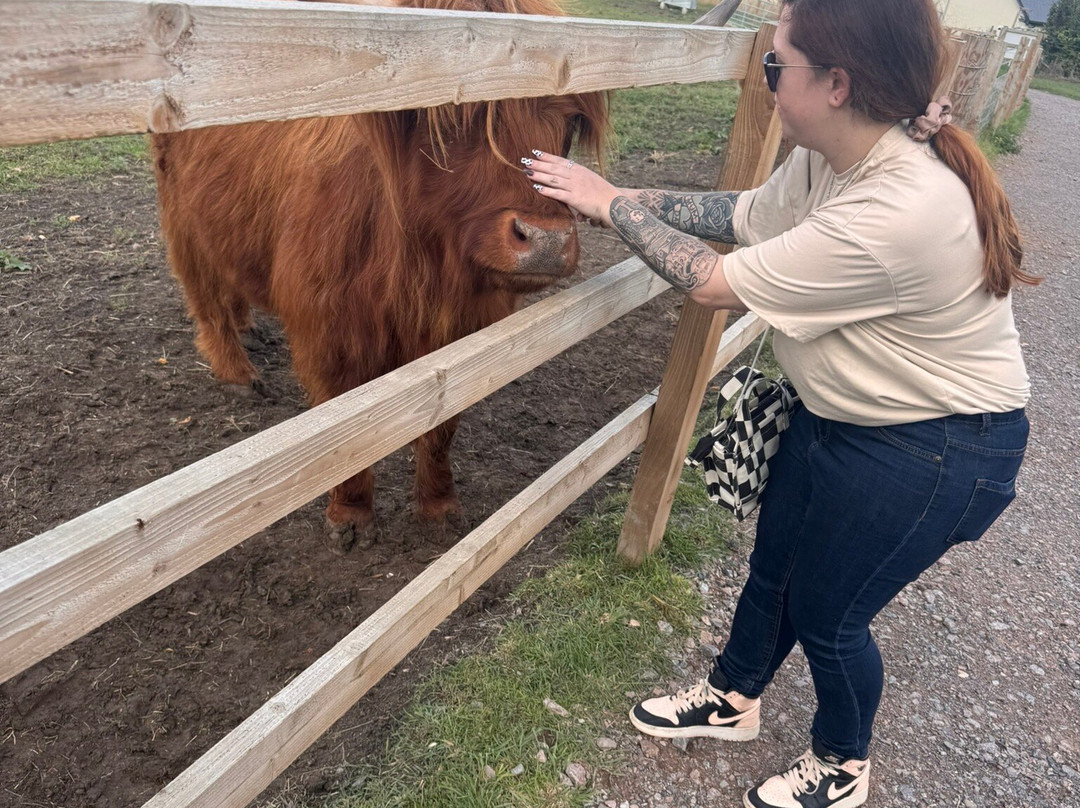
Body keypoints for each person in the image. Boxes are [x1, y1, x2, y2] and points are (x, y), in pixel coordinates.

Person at [521, 0, 1038, 806]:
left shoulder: (897, 210)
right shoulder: (832, 155)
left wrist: (608, 203)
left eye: (775, 65)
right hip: (845, 414)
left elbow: (715, 283)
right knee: (775, 570)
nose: (766, 82)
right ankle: (732, 698)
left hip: (936, 448)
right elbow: (741, 217)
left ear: (836, 83)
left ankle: (842, 760)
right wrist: (616, 193)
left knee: (832, 618)